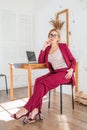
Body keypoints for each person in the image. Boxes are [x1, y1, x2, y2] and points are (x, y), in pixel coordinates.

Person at [11, 18, 76, 124]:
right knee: (38, 81)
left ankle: (25, 109)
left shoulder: (63, 46)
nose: (52, 37)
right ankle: (36, 110)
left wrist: (72, 69)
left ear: (58, 38)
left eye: (54, 35)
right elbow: (41, 61)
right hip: (54, 73)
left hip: (65, 73)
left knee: (43, 83)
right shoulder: (47, 48)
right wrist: (43, 47)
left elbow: (73, 60)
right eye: (50, 35)